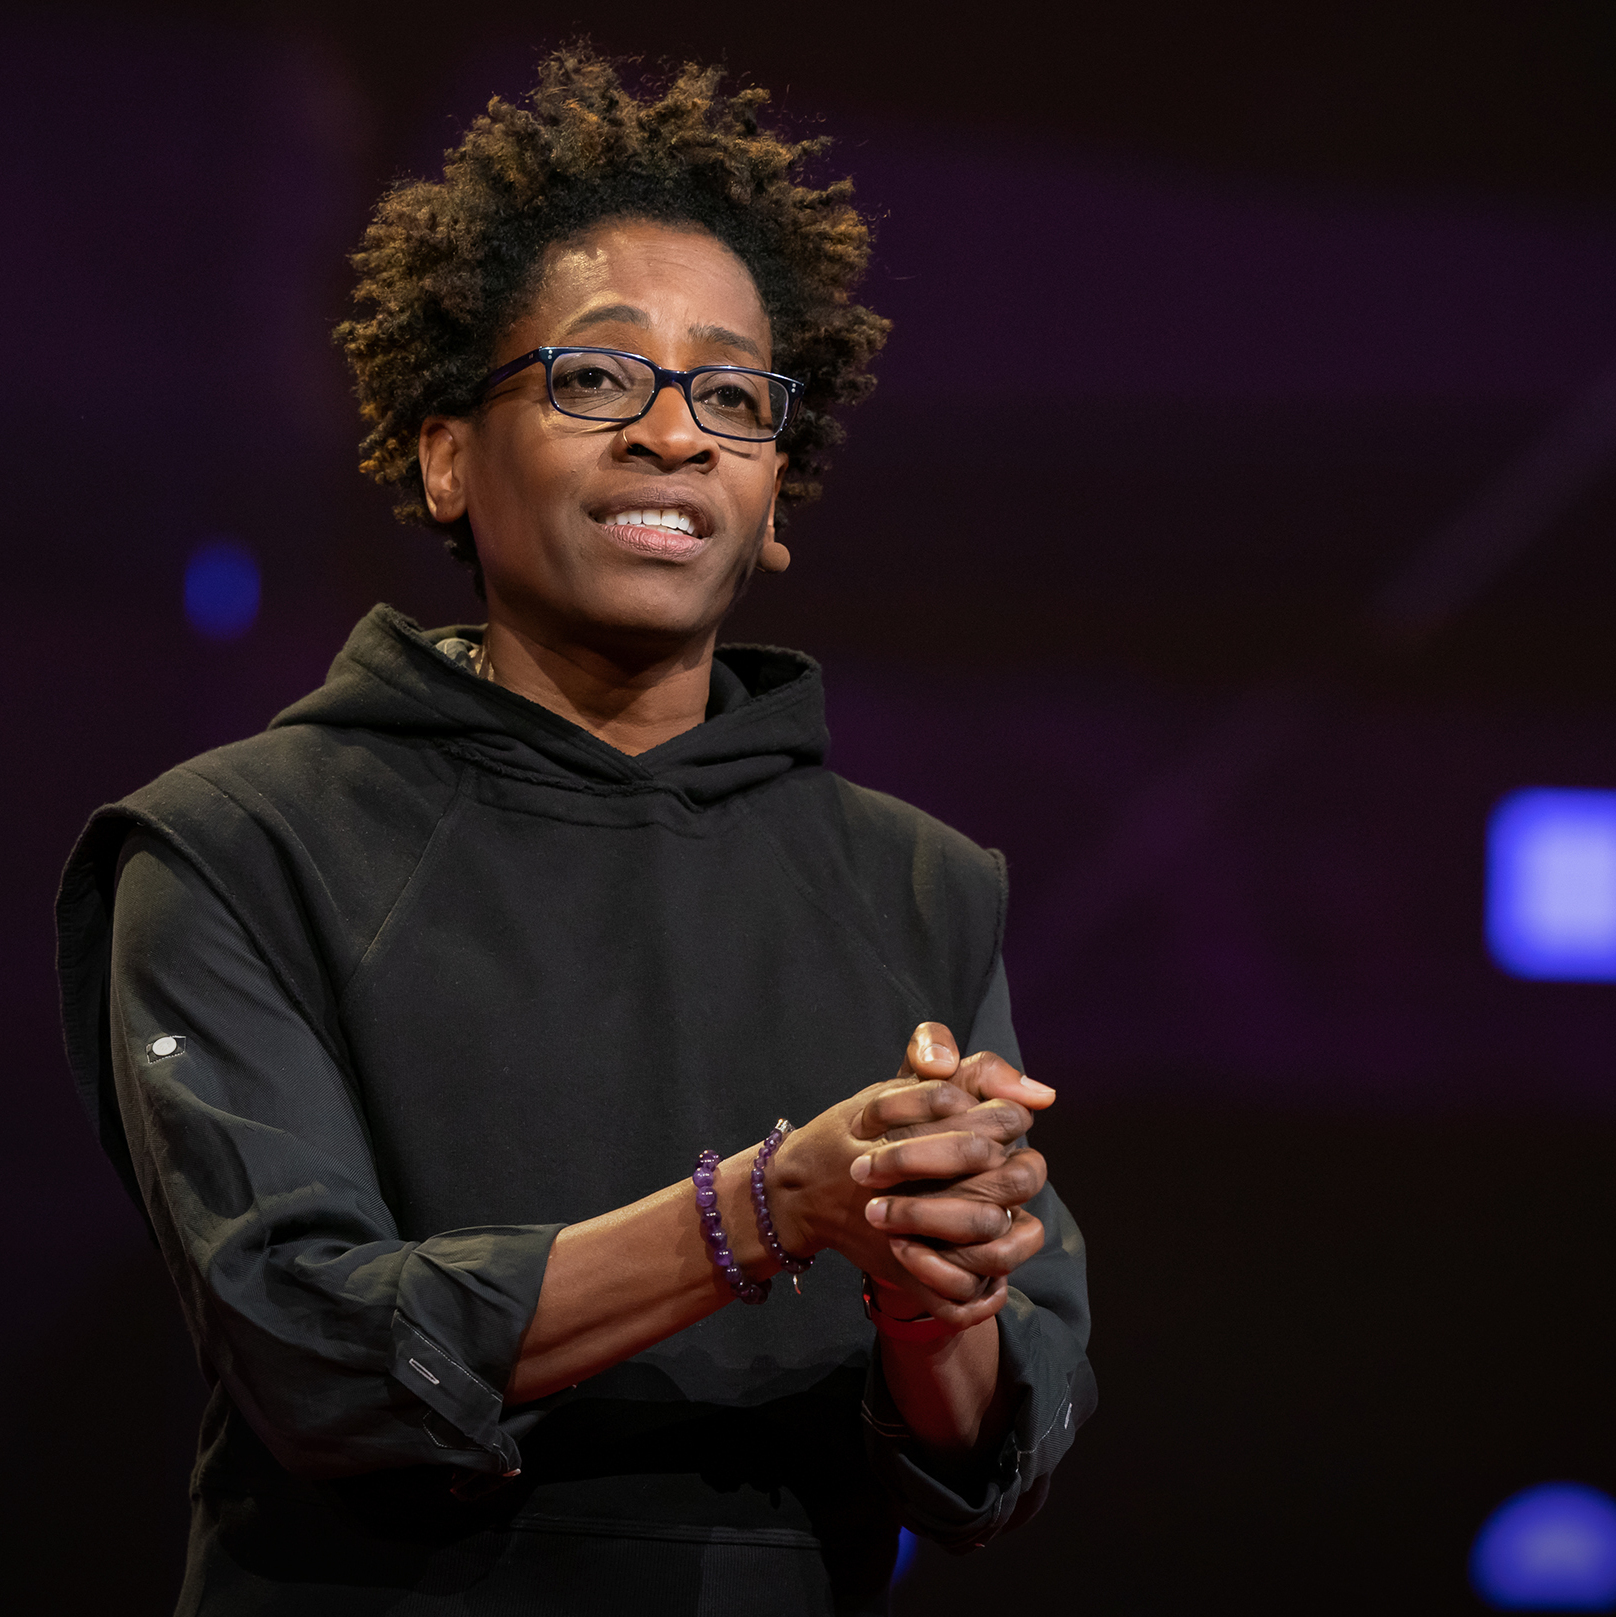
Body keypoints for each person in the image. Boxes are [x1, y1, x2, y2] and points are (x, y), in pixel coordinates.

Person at [55, 47, 1093, 1616]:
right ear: (444, 452)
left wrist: (923, 1268)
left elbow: (980, 1451)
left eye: (732, 396)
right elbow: (312, 1345)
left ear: (776, 491)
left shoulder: (918, 883)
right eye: (596, 379)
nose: (673, 437)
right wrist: (766, 1210)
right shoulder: (233, 846)